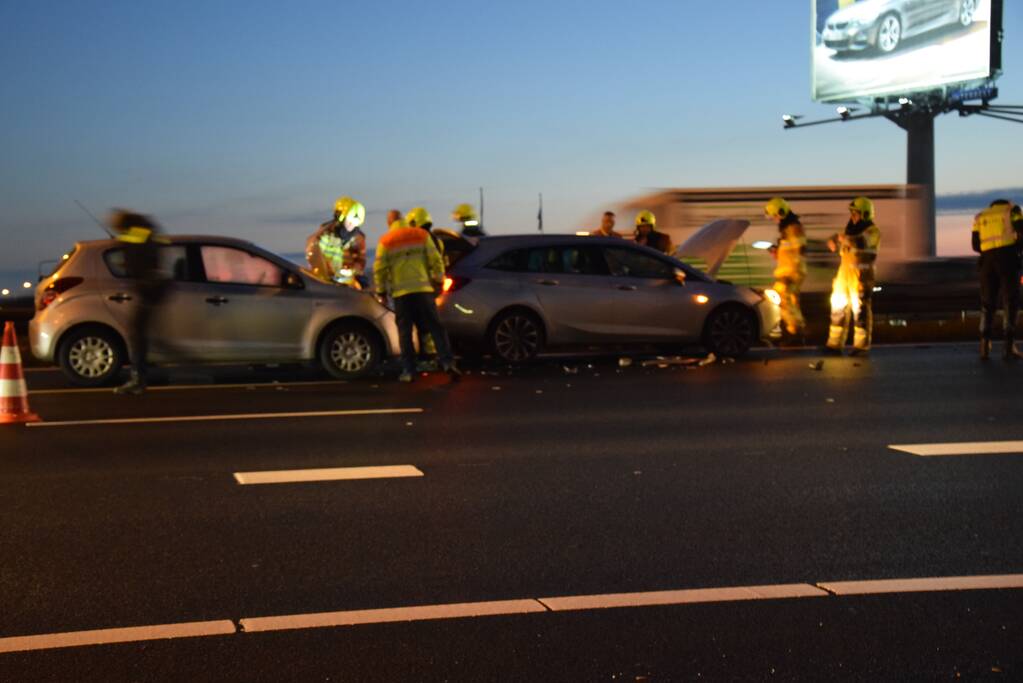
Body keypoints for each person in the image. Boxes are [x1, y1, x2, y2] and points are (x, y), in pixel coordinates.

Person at [373, 216, 460, 383]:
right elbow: (435, 259)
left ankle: (409, 370)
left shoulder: (386, 241)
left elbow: (379, 269)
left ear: (390, 225)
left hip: (401, 294)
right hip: (423, 291)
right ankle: (448, 362)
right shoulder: (421, 235)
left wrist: (381, 292)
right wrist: (438, 281)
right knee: (436, 327)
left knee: (405, 332)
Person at [108, 209, 170, 395]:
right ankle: (141, 375)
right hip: (153, 288)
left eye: (116, 225)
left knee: (137, 334)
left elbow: (137, 262)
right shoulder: (147, 233)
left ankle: (138, 379)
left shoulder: (136, 236)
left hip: (148, 289)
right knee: (139, 333)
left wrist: (123, 249)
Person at [825, 196, 881, 356]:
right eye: (852, 213)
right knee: (837, 309)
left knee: (860, 311)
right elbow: (842, 240)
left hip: (861, 276)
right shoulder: (849, 231)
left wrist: (843, 239)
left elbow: (860, 242)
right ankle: (834, 345)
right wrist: (833, 240)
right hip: (844, 275)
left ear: (865, 214)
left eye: (855, 214)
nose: (852, 217)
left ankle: (861, 347)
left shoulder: (873, 231)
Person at [972, 199, 1023, 360]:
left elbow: (975, 245)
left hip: (987, 262)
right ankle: (1008, 347)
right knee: (1010, 301)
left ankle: (984, 345)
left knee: (987, 303)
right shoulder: (1012, 210)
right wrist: (1017, 250)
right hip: (1007, 259)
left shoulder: (980, 216)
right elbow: (1022, 232)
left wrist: (989, 251)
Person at [764, 197, 807, 344]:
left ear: (781, 212)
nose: (774, 219)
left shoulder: (793, 227)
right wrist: (777, 251)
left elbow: (800, 250)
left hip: (791, 272)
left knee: (782, 299)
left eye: (774, 216)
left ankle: (795, 333)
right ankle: (798, 333)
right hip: (789, 270)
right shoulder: (786, 229)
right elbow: (790, 250)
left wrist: (791, 273)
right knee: (792, 303)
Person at [306, 196, 367, 288]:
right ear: (341, 218)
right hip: (325, 282)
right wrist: (327, 274)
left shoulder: (358, 238)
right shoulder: (325, 235)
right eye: (350, 222)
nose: (352, 226)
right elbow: (314, 255)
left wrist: (355, 272)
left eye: (355, 223)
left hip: (347, 284)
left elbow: (360, 259)